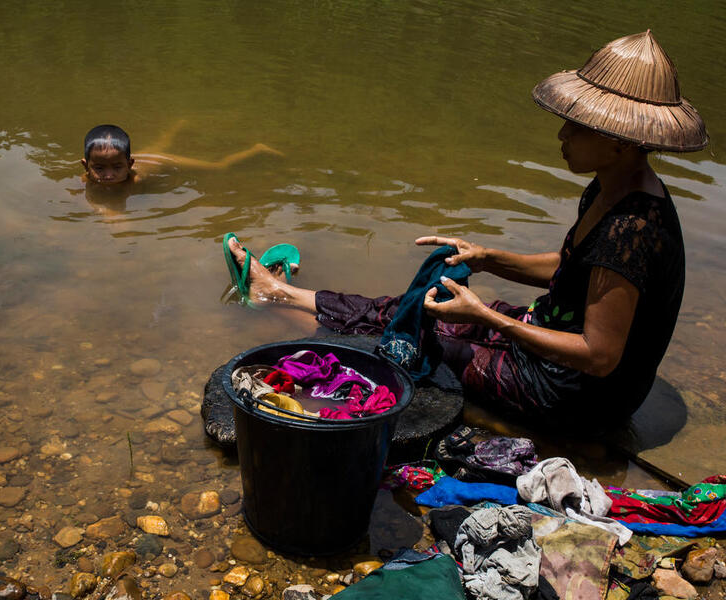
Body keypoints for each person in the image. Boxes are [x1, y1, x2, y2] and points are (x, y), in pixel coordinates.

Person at [224, 31, 707, 425]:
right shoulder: (610, 186)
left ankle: (271, 311)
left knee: (411, 345)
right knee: (416, 309)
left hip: (574, 394)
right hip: (546, 340)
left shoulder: (633, 228)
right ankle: (282, 296)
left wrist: (489, 319)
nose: (563, 134)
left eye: (578, 127)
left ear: (621, 142)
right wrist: (484, 256)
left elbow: (599, 356)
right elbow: (572, 269)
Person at [81, 122, 281, 214]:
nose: (108, 175)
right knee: (161, 143)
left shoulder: (134, 181)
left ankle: (257, 149)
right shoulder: (89, 177)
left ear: (129, 165)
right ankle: (177, 127)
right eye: (99, 168)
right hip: (143, 157)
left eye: (117, 168)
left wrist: (109, 214)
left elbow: (114, 207)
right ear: (86, 166)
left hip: (161, 162)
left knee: (218, 167)